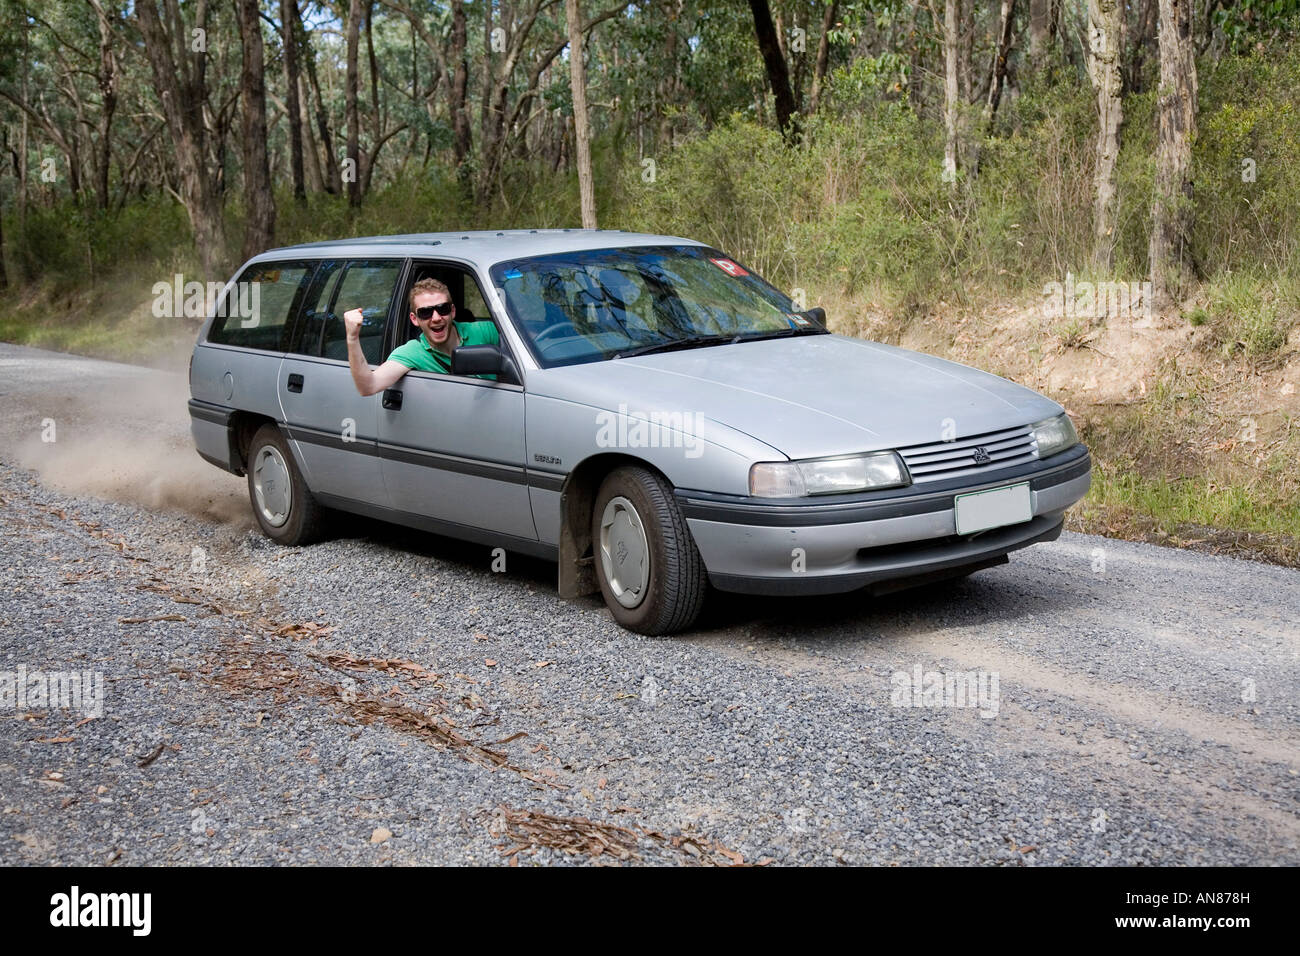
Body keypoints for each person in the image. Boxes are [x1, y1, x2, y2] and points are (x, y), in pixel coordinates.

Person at [343, 277, 500, 396]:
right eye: (426, 312)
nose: (436, 318)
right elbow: (368, 386)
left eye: (442, 308)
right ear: (414, 319)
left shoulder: (484, 331)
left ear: (452, 311)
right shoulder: (412, 352)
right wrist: (352, 338)